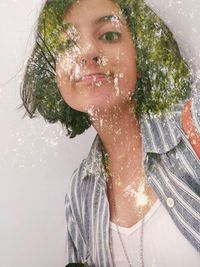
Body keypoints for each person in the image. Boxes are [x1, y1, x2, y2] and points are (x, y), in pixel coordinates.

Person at [19, 0, 200, 266]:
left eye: (109, 35)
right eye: (68, 43)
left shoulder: (192, 124)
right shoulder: (80, 191)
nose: (88, 51)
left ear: (142, 53)